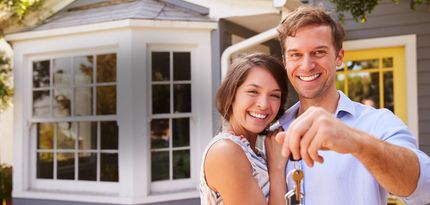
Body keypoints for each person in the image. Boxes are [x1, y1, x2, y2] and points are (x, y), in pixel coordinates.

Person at [274, 6, 430, 205]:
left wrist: (356, 142)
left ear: (339, 57)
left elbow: (425, 190)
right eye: (296, 55)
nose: (306, 65)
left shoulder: (377, 123)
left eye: (318, 52)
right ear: (285, 61)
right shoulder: (272, 130)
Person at [200, 53, 289, 205]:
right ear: (231, 95)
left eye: (274, 95)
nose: (264, 104)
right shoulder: (226, 152)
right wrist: (277, 168)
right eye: (253, 92)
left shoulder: (255, 152)